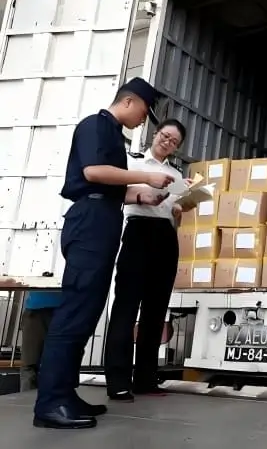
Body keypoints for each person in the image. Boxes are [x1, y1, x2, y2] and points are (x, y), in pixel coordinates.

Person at [33, 78, 175, 430]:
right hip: (90, 221)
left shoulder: (115, 136)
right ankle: (50, 403)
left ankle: (66, 392)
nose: (145, 119)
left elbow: (109, 188)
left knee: (89, 311)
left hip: (104, 217)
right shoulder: (96, 125)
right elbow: (93, 173)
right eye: (145, 111)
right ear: (129, 101)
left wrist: (141, 196)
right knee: (76, 309)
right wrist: (146, 178)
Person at [103, 118, 195, 402]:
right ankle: (118, 380)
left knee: (155, 312)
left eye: (174, 142)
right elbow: (119, 194)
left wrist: (180, 208)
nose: (167, 143)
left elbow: (173, 210)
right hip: (138, 232)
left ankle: (145, 379)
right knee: (126, 308)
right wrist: (144, 197)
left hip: (165, 237)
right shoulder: (133, 164)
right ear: (156, 135)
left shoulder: (174, 173)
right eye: (165, 136)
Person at [19, 291, 62, 392]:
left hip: (63, 309)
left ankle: (59, 403)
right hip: (37, 309)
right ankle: (27, 403)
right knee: (30, 365)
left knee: (61, 364)